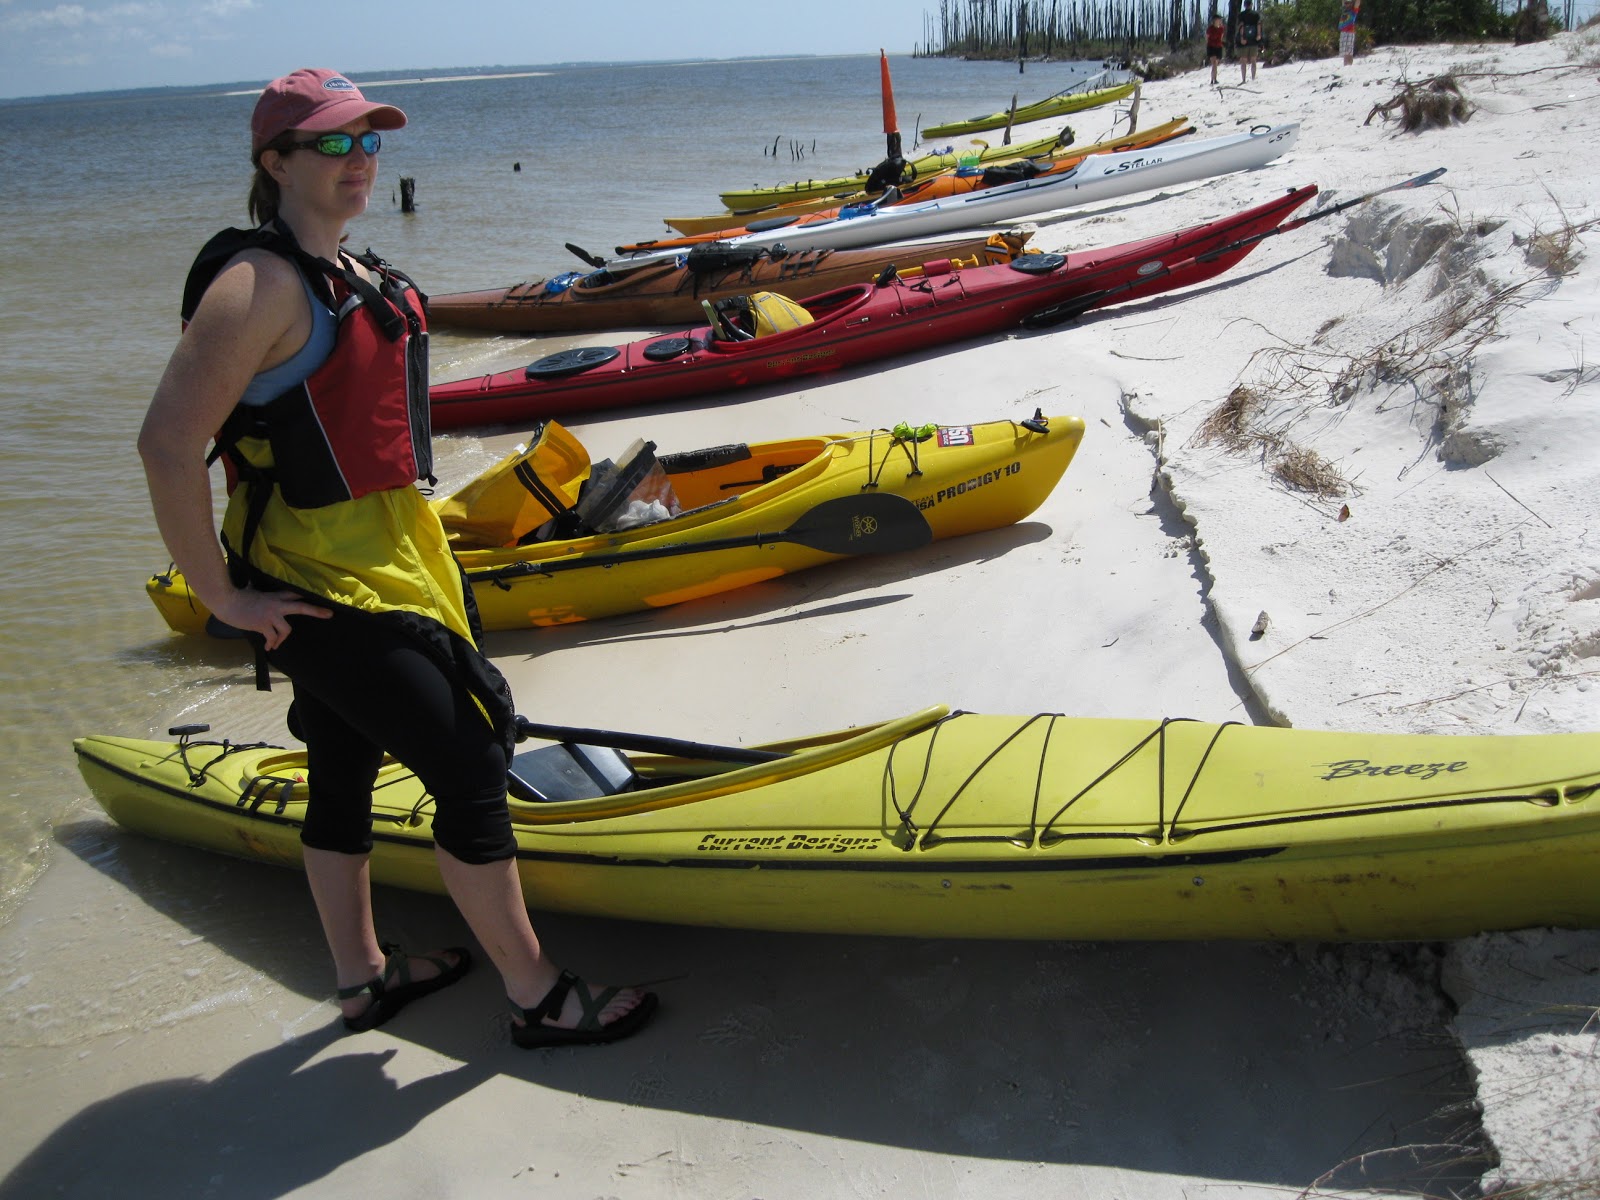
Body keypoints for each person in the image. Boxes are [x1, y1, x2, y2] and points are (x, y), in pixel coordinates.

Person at [137, 68, 657, 1049]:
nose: (359, 160)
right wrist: (218, 596)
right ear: (274, 161)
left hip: (387, 561)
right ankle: (535, 994)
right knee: (466, 765)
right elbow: (167, 443)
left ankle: (363, 979)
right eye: (332, 145)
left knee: (342, 760)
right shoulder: (260, 283)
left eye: (369, 140)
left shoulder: (345, 268)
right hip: (312, 581)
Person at [1236, 5, 1263, 83]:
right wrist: (1259, 35)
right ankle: (1253, 78)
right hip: (1253, 39)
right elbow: (1258, 24)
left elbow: (1241, 26)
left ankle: (1244, 79)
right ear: (1251, 5)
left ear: (1244, 5)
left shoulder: (1241, 14)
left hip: (1244, 40)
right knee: (1253, 60)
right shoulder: (1256, 14)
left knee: (1243, 60)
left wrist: (1241, 38)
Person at [1205, 14, 1227, 85]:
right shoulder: (1210, 29)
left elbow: (1221, 38)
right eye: (1218, 19)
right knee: (1213, 63)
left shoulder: (1221, 28)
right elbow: (1207, 38)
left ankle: (1215, 78)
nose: (1220, 21)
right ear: (1214, 20)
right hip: (1211, 47)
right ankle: (1212, 79)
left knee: (1216, 64)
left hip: (1218, 47)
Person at [1339, 0, 1361, 66]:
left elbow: (1357, 2)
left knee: (1349, 50)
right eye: (1346, 3)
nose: (1346, 4)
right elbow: (1343, 1)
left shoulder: (1353, 11)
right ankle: (1346, 65)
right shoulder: (1344, 10)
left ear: (1351, 4)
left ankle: (1349, 65)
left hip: (1350, 32)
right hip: (1343, 32)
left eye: (1348, 3)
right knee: (1344, 51)